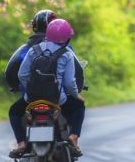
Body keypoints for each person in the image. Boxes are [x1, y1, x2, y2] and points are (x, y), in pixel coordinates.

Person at [17, 18, 86, 157]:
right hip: (56, 100)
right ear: (67, 38)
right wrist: (77, 96)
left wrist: (30, 89)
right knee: (79, 107)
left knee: (13, 112)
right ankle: (73, 136)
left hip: (32, 99)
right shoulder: (67, 54)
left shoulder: (33, 50)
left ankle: (21, 143)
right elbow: (68, 83)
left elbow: (22, 74)